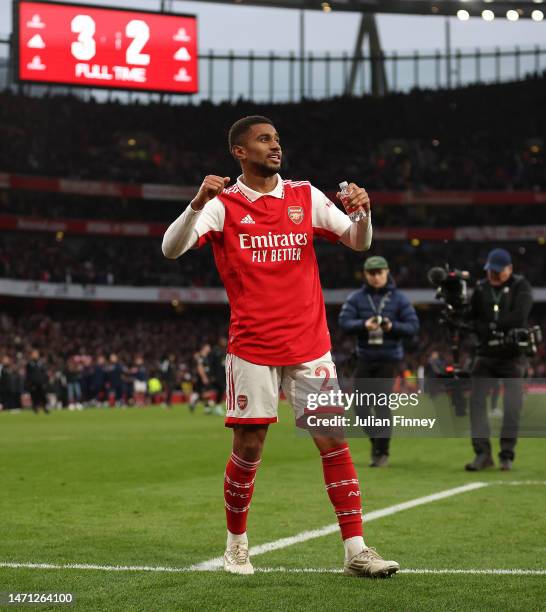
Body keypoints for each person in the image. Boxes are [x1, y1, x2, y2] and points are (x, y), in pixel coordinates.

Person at [162, 115, 399, 577]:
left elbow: (356, 240)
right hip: (252, 347)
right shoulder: (223, 204)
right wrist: (196, 203)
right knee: (250, 447)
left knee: (334, 442)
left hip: (310, 344)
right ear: (239, 151)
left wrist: (363, 213)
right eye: (264, 139)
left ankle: (356, 549)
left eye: (276, 139)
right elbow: (172, 249)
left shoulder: (303, 195)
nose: (275, 146)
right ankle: (236, 545)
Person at [338, 256, 419, 467]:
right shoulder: (356, 298)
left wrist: (392, 327)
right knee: (360, 407)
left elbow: (412, 326)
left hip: (388, 359)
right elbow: (344, 322)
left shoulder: (399, 299)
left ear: (387, 272)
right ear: (365, 274)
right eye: (371, 273)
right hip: (364, 357)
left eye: (379, 273)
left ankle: (382, 452)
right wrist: (364, 324)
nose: (375, 277)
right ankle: (377, 441)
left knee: (381, 404)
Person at [465, 248, 533, 472]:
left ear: (509, 269)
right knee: (476, 404)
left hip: (512, 355)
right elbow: (471, 318)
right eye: (490, 271)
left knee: (512, 406)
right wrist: (480, 331)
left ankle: (506, 455)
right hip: (485, 355)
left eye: (497, 272)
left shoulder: (520, 286)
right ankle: (483, 454)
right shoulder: (481, 288)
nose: (492, 275)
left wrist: (492, 326)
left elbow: (520, 316)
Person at [26, 349, 49, 414]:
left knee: (43, 395)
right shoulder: (29, 364)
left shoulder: (41, 363)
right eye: (33, 354)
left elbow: (44, 373)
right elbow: (28, 374)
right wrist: (29, 383)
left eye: (36, 354)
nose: (35, 355)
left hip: (41, 382)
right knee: (34, 396)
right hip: (33, 383)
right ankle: (35, 408)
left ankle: (45, 407)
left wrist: (45, 381)